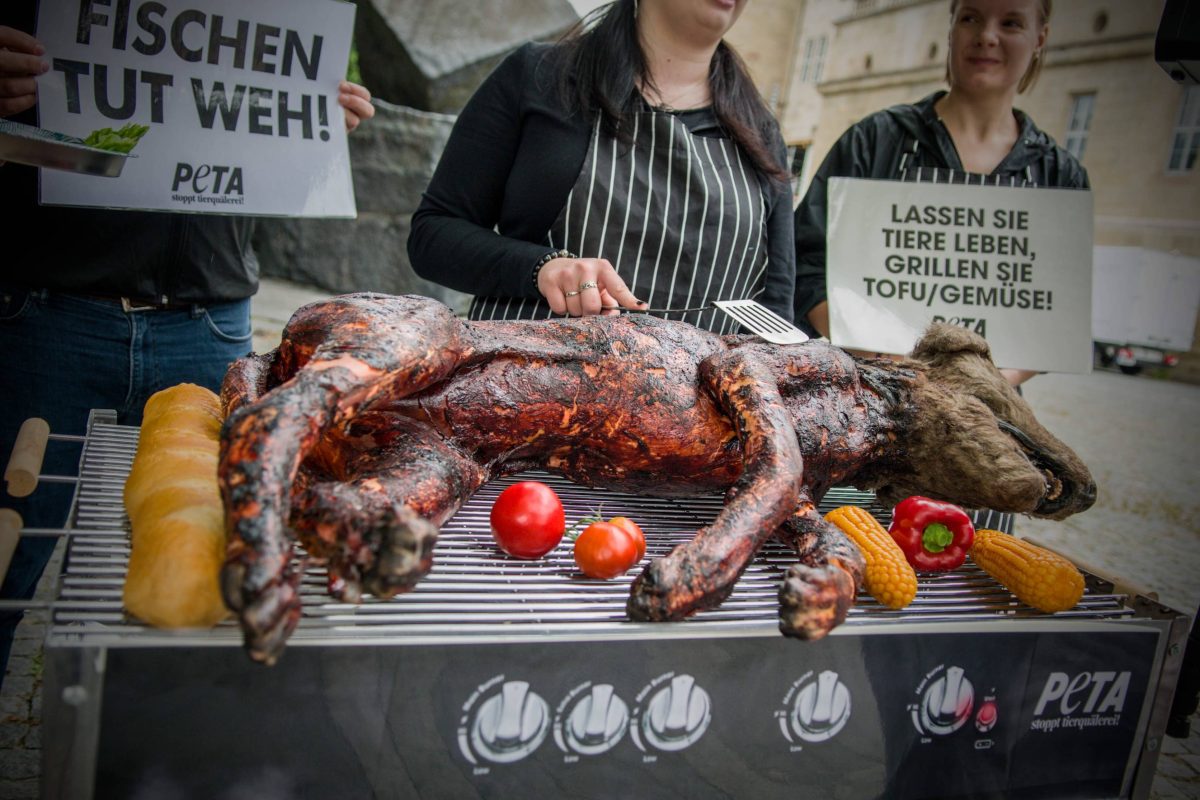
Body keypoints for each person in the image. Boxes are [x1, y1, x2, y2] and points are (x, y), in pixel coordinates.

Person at [0, 6, 374, 691]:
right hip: (50, 312)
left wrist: (315, 125)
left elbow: (282, 171)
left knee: (207, 559)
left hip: (210, 321)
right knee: (9, 554)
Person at [407, 0, 795, 333]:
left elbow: (776, 311)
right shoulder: (539, 77)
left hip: (693, 416)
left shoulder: (761, 134)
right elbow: (434, 235)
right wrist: (541, 267)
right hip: (529, 402)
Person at [794, 0, 1088, 387]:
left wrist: (987, 384)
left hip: (984, 411)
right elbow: (807, 265)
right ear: (951, 28)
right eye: (971, 18)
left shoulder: (1059, 176)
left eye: (1011, 23)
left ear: (1040, 38)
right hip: (870, 392)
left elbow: (1056, 317)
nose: (986, 37)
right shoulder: (875, 141)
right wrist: (897, 366)